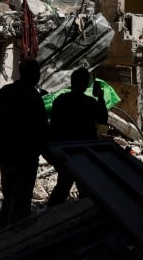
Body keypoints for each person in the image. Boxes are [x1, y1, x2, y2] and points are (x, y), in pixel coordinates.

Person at [0, 57, 49, 228]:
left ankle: (2, 234)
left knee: (9, 197)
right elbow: (42, 129)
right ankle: (16, 241)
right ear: (34, 74)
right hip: (25, 159)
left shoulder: (4, 93)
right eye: (38, 73)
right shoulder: (33, 97)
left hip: (6, 157)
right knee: (21, 202)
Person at [46, 67, 108, 206]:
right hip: (84, 151)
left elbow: (53, 125)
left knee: (64, 184)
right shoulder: (90, 103)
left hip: (64, 149)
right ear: (86, 84)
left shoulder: (60, 100)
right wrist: (101, 98)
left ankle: (51, 213)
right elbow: (103, 118)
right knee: (84, 187)